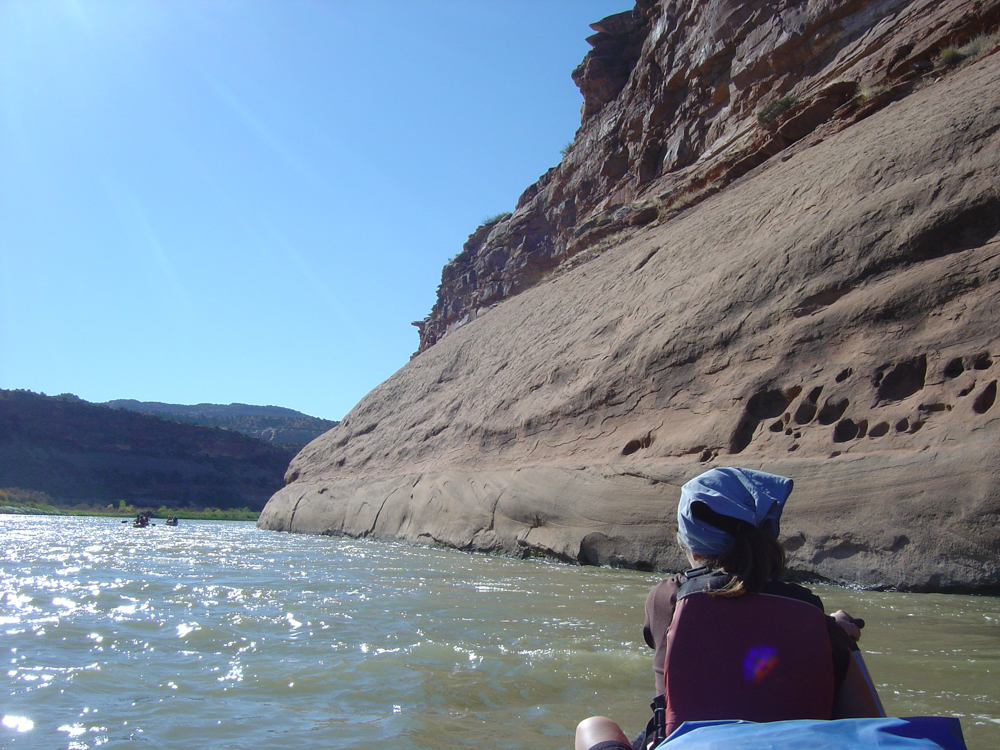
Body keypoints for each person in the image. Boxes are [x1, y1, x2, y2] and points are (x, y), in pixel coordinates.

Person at [575, 467, 882, 750]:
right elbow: (868, 723)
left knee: (594, 726)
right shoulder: (813, 616)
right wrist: (834, 635)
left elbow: (729, 632)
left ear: (693, 548)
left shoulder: (668, 598)